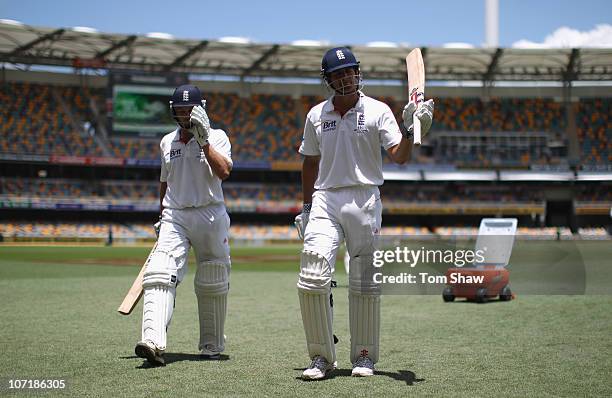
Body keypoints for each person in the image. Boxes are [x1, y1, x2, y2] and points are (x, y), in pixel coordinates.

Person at [294, 47, 434, 380]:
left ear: (358, 73)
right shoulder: (316, 115)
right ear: (328, 80)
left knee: (365, 282)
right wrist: (306, 206)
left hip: (364, 199)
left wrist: (414, 130)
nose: (346, 78)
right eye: (338, 74)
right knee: (312, 276)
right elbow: (309, 162)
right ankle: (321, 357)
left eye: (350, 71)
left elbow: (400, 156)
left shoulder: (378, 110)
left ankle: (364, 356)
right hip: (325, 198)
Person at [135, 84, 233, 366]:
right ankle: (152, 341)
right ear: (172, 111)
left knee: (213, 278)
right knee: (159, 271)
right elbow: (165, 182)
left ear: (201, 108)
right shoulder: (167, 142)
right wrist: (160, 214)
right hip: (175, 215)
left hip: (210, 214)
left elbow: (224, 171)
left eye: (190, 109)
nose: (186, 115)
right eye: (180, 110)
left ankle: (211, 345)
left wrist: (203, 141)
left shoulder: (218, 136)